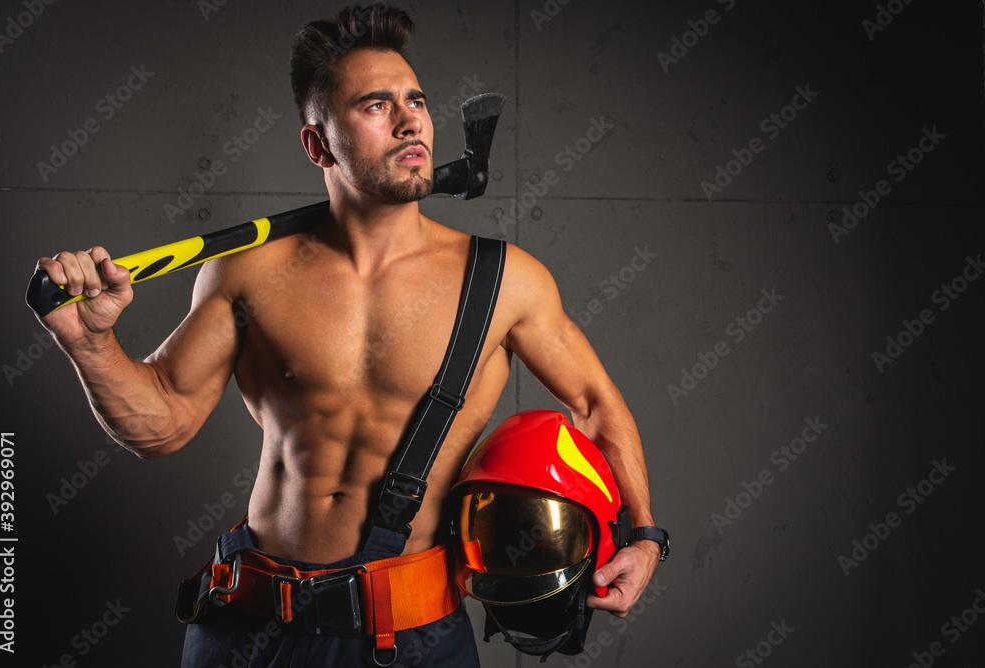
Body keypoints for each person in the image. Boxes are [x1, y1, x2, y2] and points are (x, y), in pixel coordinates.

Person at [33, 4, 661, 666]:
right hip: (252, 628)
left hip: (412, 635)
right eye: (375, 105)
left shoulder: (506, 281)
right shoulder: (250, 271)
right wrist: (88, 343)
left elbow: (593, 404)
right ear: (317, 145)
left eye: (415, 100)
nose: (410, 118)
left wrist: (644, 536)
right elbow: (161, 425)